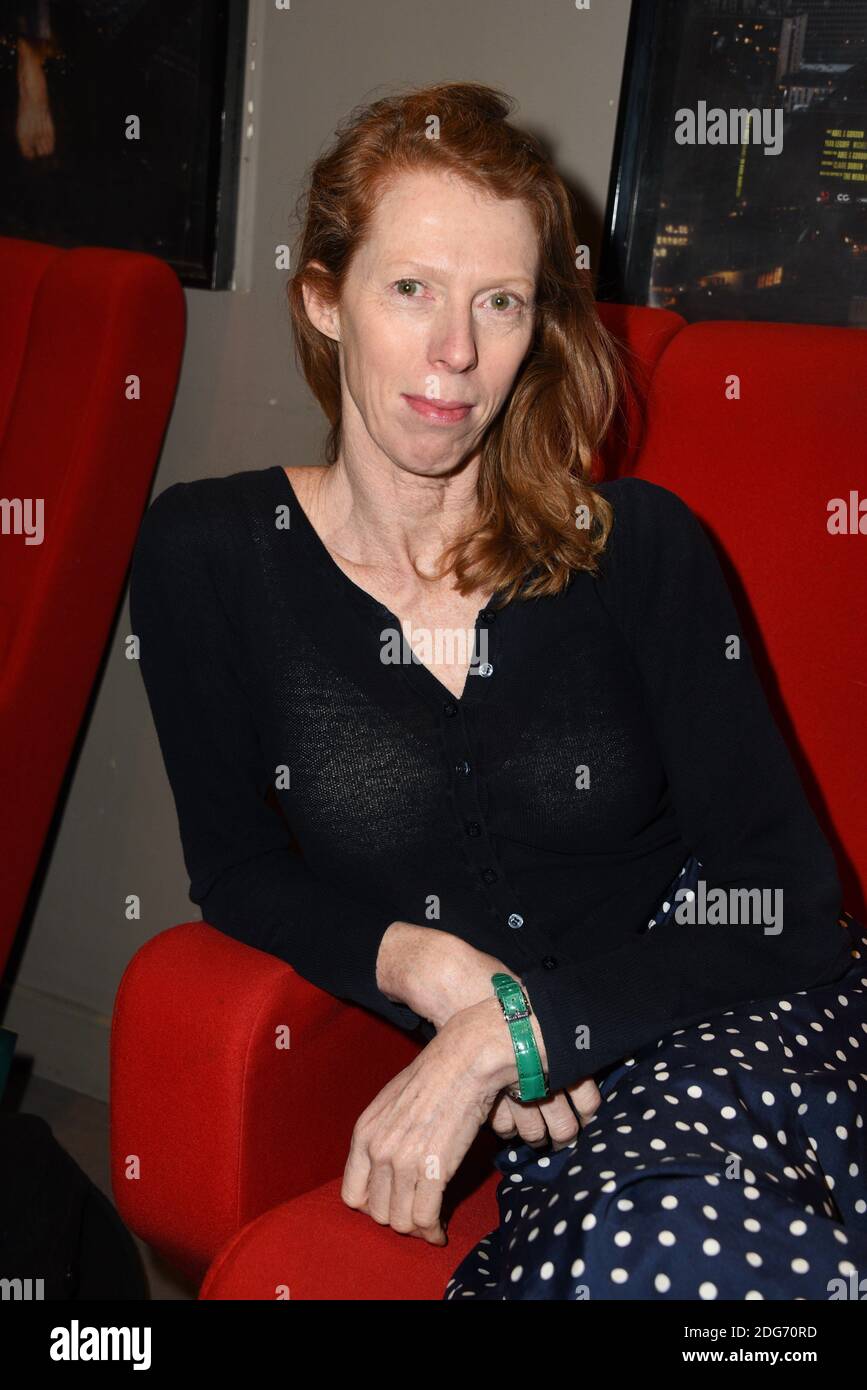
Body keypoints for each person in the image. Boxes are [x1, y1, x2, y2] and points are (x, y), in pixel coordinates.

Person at [129, 81, 867, 1301]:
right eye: (410, 289)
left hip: (739, 1009)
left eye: (501, 303)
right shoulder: (209, 554)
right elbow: (238, 867)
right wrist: (427, 967)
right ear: (323, 298)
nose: (456, 353)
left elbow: (785, 899)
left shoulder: (638, 545)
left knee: (674, 1249)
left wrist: (517, 1032)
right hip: (583, 1125)